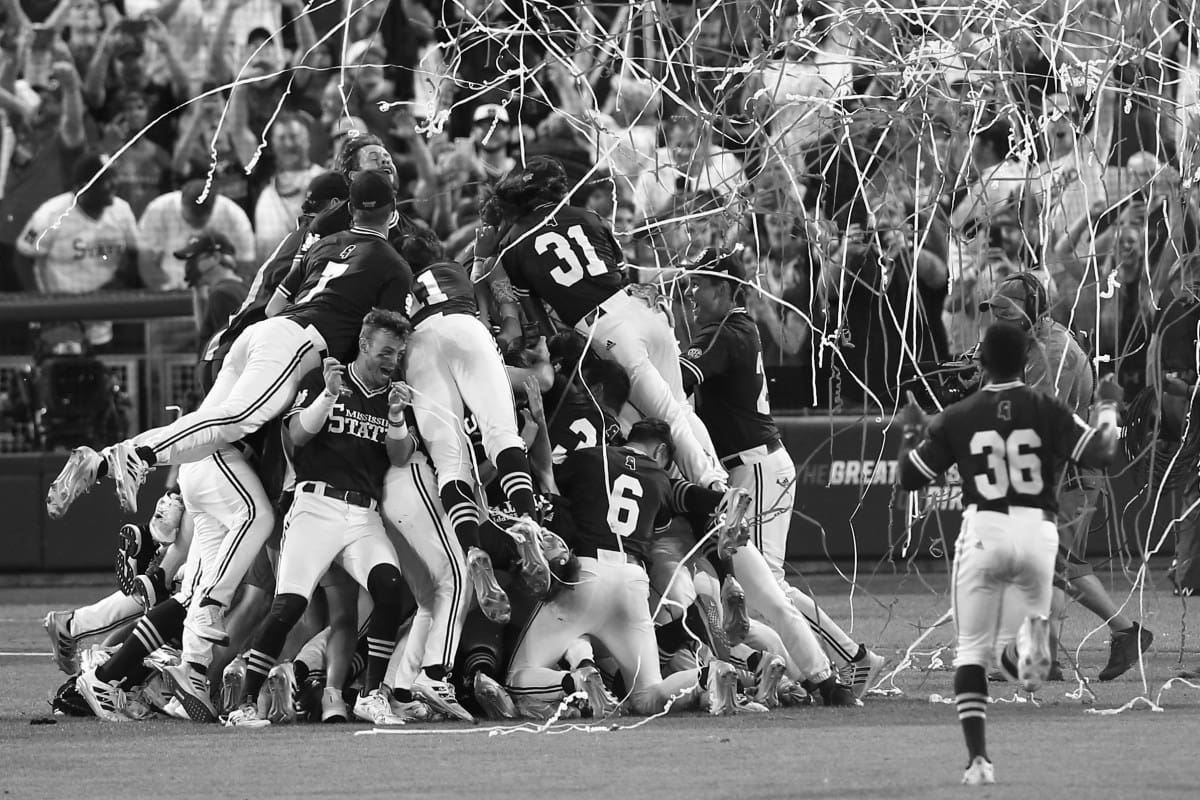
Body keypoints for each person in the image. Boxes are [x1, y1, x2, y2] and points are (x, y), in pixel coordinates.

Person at [44, 171, 411, 519]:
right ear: (392, 213)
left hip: (263, 333)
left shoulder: (327, 243)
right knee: (235, 419)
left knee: (210, 431)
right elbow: (389, 336)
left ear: (351, 208)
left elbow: (273, 306)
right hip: (300, 344)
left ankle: (104, 462)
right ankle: (138, 454)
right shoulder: (394, 264)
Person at [896, 321, 1120, 785]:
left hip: (985, 531)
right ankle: (1026, 661)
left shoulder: (959, 414)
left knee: (971, 654)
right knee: (1031, 660)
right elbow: (1101, 452)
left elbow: (909, 478)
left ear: (981, 363)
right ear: (1026, 360)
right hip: (1037, 535)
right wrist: (1109, 408)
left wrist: (912, 432)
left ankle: (978, 760)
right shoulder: (1046, 407)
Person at [682, 249, 884, 698]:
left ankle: (848, 661)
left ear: (727, 288)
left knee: (766, 588)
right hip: (760, 461)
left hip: (751, 467)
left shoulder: (722, 331)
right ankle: (846, 659)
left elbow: (678, 379)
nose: (692, 292)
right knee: (770, 586)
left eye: (701, 283)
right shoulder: (737, 327)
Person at [484, 156, 725, 489]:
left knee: (662, 415)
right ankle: (717, 479)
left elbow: (539, 319)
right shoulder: (589, 216)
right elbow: (620, 274)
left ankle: (711, 487)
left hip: (604, 327)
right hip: (641, 307)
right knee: (680, 406)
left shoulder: (511, 246)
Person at [226, 309, 416, 727]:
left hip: (364, 514)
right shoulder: (325, 378)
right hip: (315, 506)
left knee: (389, 587)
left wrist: (399, 416)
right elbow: (296, 436)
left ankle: (370, 696)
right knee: (289, 605)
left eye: (398, 354)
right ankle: (242, 703)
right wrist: (329, 395)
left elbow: (400, 456)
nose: (392, 361)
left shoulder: (394, 396)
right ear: (364, 345)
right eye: (386, 351)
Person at [979, 272, 1153, 682]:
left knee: (1048, 566)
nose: (996, 322)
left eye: (1006, 313)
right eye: (995, 313)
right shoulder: (1035, 342)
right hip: (1059, 472)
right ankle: (1124, 633)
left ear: (1030, 313)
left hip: (1069, 474)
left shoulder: (1051, 352)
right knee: (1061, 566)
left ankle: (1040, 659)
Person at [506, 419, 741, 717]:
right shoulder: (659, 477)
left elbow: (546, 474)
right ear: (661, 452)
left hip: (584, 575)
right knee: (647, 695)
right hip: (632, 581)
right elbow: (691, 497)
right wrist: (724, 499)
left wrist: (537, 423)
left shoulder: (591, 456)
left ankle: (574, 680)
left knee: (518, 676)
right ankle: (708, 675)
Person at [397, 229, 549, 625]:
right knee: (501, 434)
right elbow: (487, 264)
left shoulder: (397, 283)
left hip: (417, 347)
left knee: (450, 464)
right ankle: (528, 520)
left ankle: (471, 550)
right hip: (465, 329)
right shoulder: (455, 269)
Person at [14, 150, 139, 349]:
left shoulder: (121, 211)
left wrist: (119, 282)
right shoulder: (51, 213)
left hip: (103, 316)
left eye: (115, 177)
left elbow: (135, 254)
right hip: (61, 318)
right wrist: (41, 303)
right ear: (84, 187)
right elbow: (22, 257)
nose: (115, 184)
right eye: (107, 180)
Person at [137, 179, 255, 290]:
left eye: (200, 221)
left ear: (212, 208)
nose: (195, 225)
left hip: (220, 291)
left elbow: (246, 266)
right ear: (182, 201)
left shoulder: (234, 216)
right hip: (171, 290)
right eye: (191, 220)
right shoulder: (158, 210)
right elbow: (146, 263)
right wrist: (166, 289)